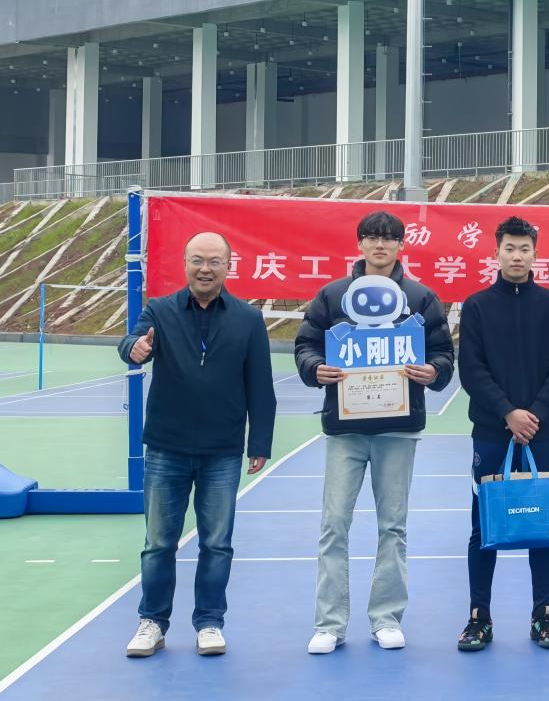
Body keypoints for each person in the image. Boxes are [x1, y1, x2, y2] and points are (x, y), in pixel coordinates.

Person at [294, 211, 454, 654]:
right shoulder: (332, 295)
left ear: (402, 245)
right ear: (360, 244)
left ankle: (386, 619)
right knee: (333, 525)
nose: (380, 245)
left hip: (398, 430)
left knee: (393, 527)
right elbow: (306, 344)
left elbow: (443, 354)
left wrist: (433, 371)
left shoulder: (420, 298)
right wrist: (314, 368)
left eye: (389, 238)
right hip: (345, 429)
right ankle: (329, 624)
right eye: (371, 237)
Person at [120, 231, 276, 658]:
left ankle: (209, 622)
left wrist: (259, 442)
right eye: (197, 260)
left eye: (214, 261)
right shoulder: (159, 311)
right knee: (158, 543)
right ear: (185, 263)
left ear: (228, 266)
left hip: (222, 450)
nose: (205, 269)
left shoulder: (248, 319)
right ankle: (152, 622)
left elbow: (260, 386)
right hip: (166, 447)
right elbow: (131, 343)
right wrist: (136, 348)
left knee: (217, 543)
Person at [456, 216, 549, 651]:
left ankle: (544, 616)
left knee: (542, 524)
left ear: (535, 254)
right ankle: (479, 618)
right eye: (509, 248)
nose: (517, 256)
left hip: (543, 435)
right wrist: (508, 413)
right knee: (483, 525)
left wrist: (533, 416)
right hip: (492, 432)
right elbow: (472, 370)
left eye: (524, 249)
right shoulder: (476, 306)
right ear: (497, 252)